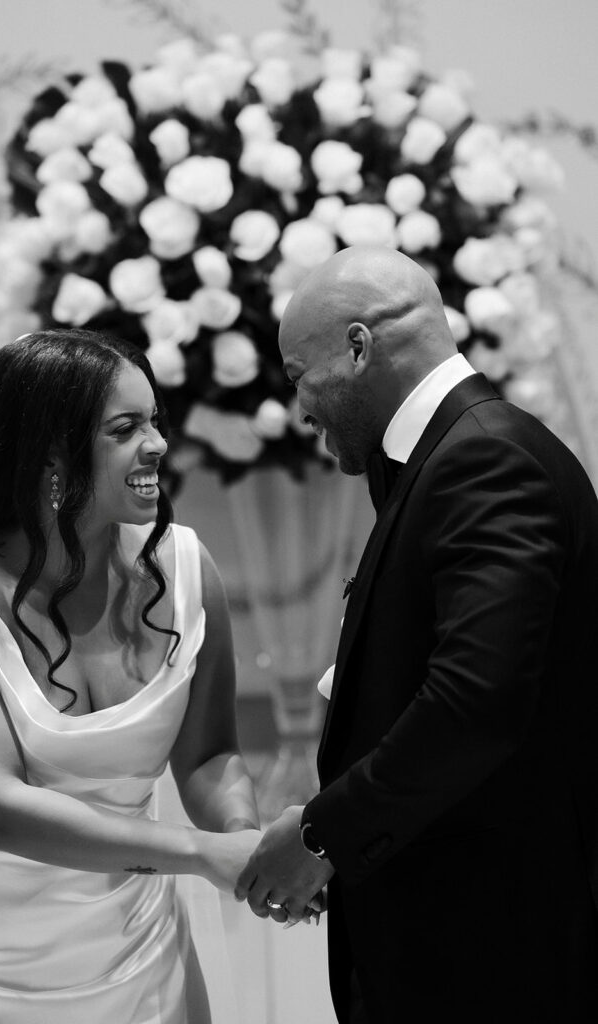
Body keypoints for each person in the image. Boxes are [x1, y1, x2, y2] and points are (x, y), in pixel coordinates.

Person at [235, 246, 598, 1023]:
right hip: (458, 932)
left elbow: (475, 703)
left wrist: (321, 837)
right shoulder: (446, 453)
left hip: (494, 948)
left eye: (301, 374)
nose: (299, 405)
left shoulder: (484, 458)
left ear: (359, 347)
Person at [0, 328, 262, 1024]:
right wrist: (200, 853)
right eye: (126, 427)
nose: (159, 444)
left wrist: (243, 839)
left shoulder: (190, 572)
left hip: (141, 958)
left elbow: (208, 756)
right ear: (50, 459)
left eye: (155, 421)